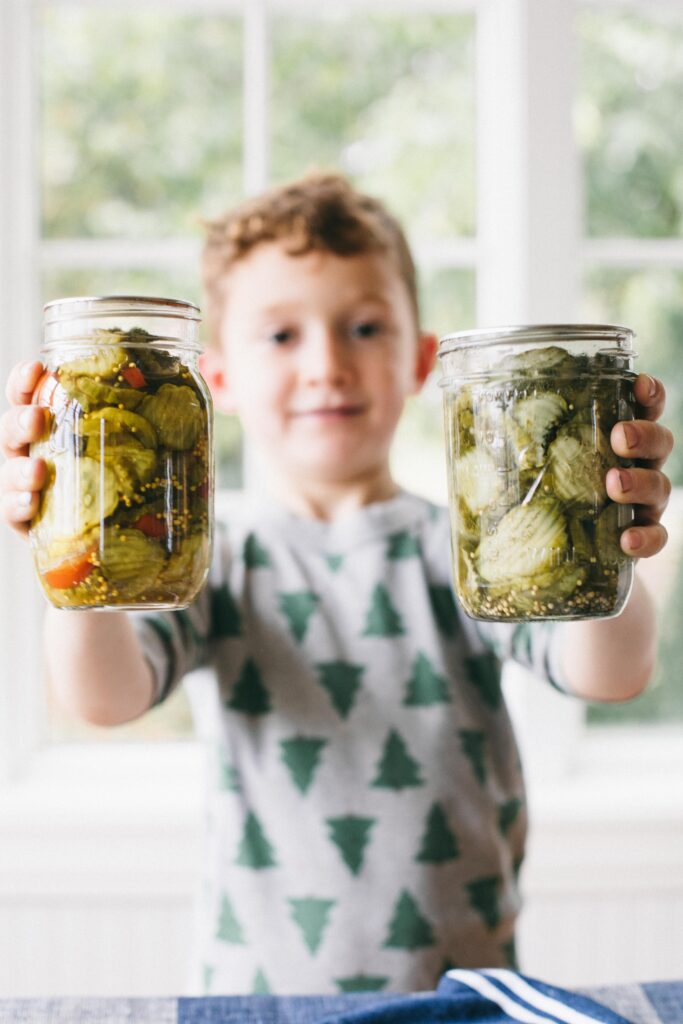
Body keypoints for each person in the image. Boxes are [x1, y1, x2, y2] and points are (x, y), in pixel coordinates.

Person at [0, 173, 674, 996]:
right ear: (216, 380)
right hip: (256, 1000)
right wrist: (72, 537)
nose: (326, 364)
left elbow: (610, 672)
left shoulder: (469, 551)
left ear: (422, 361)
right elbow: (102, 696)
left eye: (363, 327)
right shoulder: (209, 560)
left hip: (460, 1000)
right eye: (281, 336)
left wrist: (606, 542)